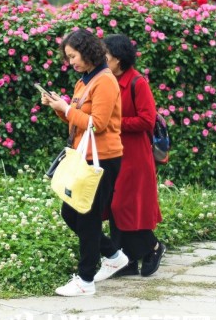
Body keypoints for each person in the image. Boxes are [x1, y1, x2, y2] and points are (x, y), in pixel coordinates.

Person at [42, 28, 127, 296]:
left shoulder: (105, 81)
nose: (71, 62)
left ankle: (85, 280)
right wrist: (60, 109)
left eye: (73, 55)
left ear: (87, 51)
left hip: (103, 158)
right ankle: (113, 255)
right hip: (83, 155)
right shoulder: (84, 81)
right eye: (68, 58)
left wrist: (67, 109)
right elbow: (77, 121)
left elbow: (98, 125)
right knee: (71, 213)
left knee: (88, 218)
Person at [103, 34, 165, 277]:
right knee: (114, 205)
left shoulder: (137, 83)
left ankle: (153, 247)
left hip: (134, 154)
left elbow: (147, 120)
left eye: (105, 56)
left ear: (118, 59)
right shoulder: (106, 80)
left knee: (123, 206)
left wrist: (114, 123)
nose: (101, 60)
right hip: (113, 150)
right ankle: (126, 260)